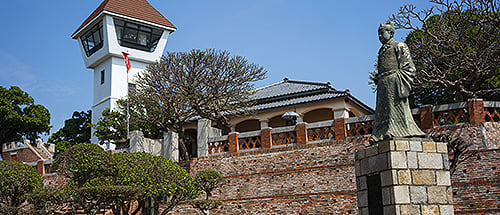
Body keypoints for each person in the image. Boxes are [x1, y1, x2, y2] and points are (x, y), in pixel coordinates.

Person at [370, 21, 425, 144]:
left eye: (382, 33)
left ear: (390, 33)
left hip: (395, 82)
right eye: (378, 34)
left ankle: (400, 131)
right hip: (383, 84)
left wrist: (397, 79)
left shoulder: (399, 46)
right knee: (382, 111)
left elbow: (410, 67)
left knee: (396, 109)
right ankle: (381, 133)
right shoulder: (381, 50)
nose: (380, 37)